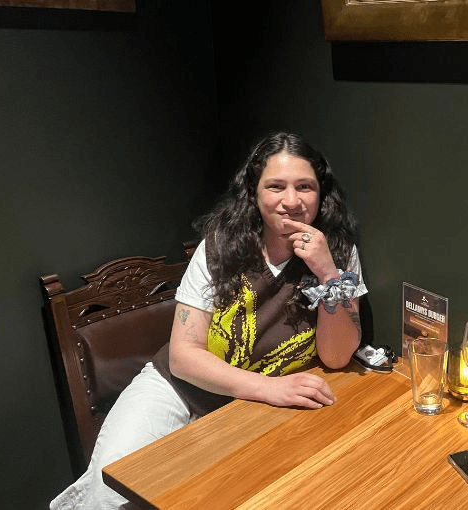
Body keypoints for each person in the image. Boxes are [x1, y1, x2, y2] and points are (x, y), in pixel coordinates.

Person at [51, 131, 367, 509]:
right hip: (180, 387)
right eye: (275, 186)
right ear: (254, 192)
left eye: (304, 186)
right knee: (111, 487)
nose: (291, 201)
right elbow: (184, 357)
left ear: (320, 191)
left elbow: (336, 356)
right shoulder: (221, 246)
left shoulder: (339, 253)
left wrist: (328, 273)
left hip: (255, 407)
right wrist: (268, 388)